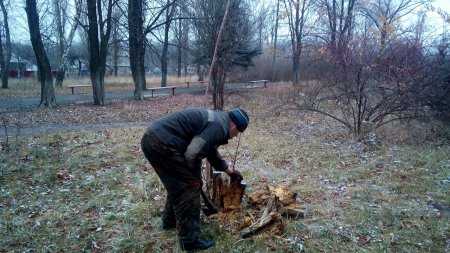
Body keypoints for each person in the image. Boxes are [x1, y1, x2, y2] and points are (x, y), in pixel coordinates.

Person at [141, 107, 249, 251]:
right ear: (234, 126)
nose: (235, 136)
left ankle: (169, 221)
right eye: (237, 133)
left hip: (153, 139)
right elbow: (193, 152)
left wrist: (229, 171)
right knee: (188, 188)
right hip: (163, 144)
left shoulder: (218, 120)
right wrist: (194, 179)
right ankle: (190, 241)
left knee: (178, 185)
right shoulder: (219, 127)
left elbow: (209, 149)